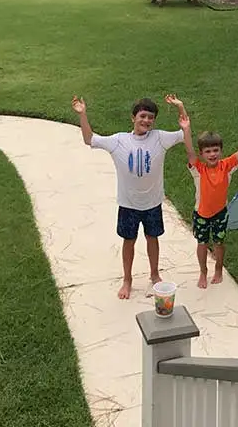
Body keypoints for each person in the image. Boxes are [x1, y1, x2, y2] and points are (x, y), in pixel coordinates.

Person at [71, 93, 187, 300]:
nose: (147, 121)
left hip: (152, 203)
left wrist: (180, 108)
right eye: (142, 116)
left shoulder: (160, 138)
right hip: (128, 204)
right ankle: (127, 280)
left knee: (153, 238)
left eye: (151, 117)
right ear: (133, 118)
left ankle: (154, 274)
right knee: (129, 241)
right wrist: (82, 114)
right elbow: (89, 139)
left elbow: (184, 132)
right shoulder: (118, 141)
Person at [173, 94, 238, 289]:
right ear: (202, 154)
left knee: (219, 243)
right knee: (202, 244)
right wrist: (186, 127)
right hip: (201, 214)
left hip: (220, 213)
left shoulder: (226, 166)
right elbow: (190, 150)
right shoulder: (198, 170)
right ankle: (203, 272)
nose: (212, 154)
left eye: (216, 150)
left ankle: (218, 268)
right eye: (208, 152)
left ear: (221, 151)